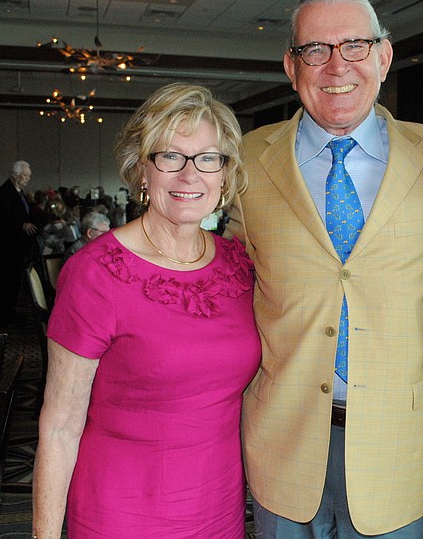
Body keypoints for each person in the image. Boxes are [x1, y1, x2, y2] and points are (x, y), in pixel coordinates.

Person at [226, 0, 423, 539]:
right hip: (283, 442)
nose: (335, 65)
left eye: (354, 45)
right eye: (315, 50)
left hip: (402, 449)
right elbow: (216, 272)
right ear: (291, 66)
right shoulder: (247, 160)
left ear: (384, 56)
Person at [32, 83, 258, 539]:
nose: (190, 174)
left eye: (208, 158)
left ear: (225, 174)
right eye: (170, 156)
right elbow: (58, 428)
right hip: (122, 511)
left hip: (219, 507)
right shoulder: (95, 273)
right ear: (141, 169)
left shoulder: (240, 265)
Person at [0, 160, 36, 326]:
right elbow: (1, 220)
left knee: (14, 282)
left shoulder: (17, 191)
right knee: (7, 282)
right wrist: (21, 225)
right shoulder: (4, 193)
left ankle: (10, 312)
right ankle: (4, 316)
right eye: (26, 175)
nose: (28, 179)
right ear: (16, 175)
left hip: (16, 247)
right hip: (7, 248)